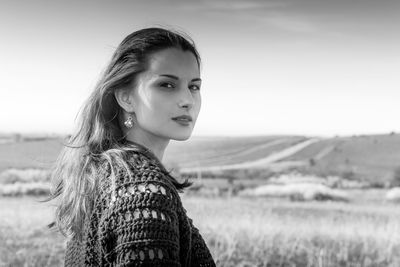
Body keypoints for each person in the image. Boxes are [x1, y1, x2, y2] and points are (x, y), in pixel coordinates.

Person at [44, 27, 216, 266]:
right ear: (126, 97)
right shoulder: (144, 193)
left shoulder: (104, 171)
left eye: (194, 86)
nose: (187, 100)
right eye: (166, 84)